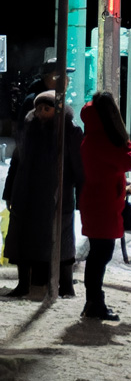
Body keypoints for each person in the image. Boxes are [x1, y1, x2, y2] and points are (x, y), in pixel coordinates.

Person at [1, 90, 84, 298]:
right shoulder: (28, 129)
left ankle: (65, 286)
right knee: (23, 239)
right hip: (26, 194)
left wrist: (80, 194)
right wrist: (9, 192)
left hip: (56, 195)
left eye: (46, 109)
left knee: (61, 239)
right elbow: (16, 162)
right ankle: (24, 284)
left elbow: (78, 166)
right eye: (38, 108)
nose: (40, 113)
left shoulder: (69, 131)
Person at [79, 92, 131, 322]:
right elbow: (128, 160)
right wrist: (128, 141)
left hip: (100, 202)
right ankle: (94, 303)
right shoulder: (100, 138)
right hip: (102, 204)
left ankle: (93, 302)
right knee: (99, 256)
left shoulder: (94, 135)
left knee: (98, 254)